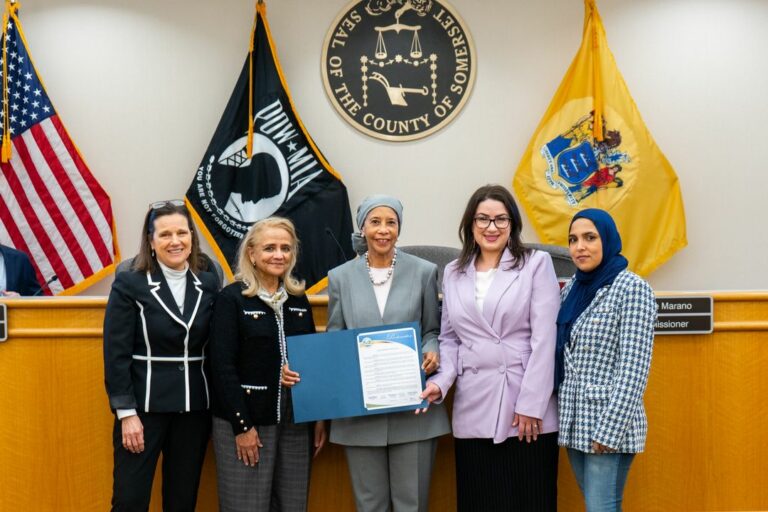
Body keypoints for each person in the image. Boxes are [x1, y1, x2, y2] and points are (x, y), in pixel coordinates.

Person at [285, 195, 450, 512]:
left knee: (411, 505)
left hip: (412, 411)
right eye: (375, 222)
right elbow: (334, 340)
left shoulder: (425, 272)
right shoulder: (340, 277)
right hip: (359, 415)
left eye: (391, 222)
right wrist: (320, 405)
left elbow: (432, 330)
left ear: (399, 228)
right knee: (369, 506)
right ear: (363, 228)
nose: (383, 230)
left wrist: (431, 349)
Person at [421, 184, 561, 511]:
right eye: (483, 219)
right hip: (475, 405)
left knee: (530, 501)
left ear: (512, 224)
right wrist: (439, 383)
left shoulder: (535, 264)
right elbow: (450, 339)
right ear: (470, 225)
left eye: (501, 219)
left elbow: (545, 339)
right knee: (481, 500)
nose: (491, 227)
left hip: (525, 410)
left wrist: (532, 403)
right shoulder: (454, 272)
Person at [103, 200, 218, 511]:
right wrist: (126, 414)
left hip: (194, 409)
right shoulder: (130, 282)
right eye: (165, 234)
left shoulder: (209, 282)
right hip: (143, 410)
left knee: (182, 500)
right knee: (130, 500)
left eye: (182, 232)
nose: (175, 241)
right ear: (151, 241)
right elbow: (116, 353)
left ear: (193, 238)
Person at [209, 217, 326, 512]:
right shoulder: (231, 300)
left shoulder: (298, 300)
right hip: (249, 421)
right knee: (246, 506)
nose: (278, 255)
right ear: (251, 253)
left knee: (293, 504)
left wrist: (320, 418)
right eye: (269, 248)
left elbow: (310, 361)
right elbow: (221, 368)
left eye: (285, 248)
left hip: (296, 423)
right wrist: (242, 426)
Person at [555, 208, 656, 512]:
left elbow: (634, 369)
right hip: (575, 422)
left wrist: (609, 430)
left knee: (602, 507)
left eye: (590, 237)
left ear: (608, 240)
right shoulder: (573, 288)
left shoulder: (632, 288)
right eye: (573, 240)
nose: (579, 247)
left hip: (607, 423)